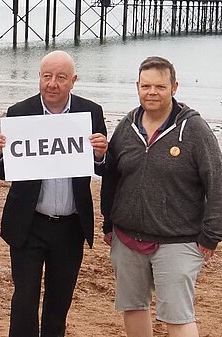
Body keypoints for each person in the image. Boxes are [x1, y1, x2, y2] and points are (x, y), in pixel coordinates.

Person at [100, 56, 222, 337]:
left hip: (177, 239)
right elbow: (112, 175)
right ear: (137, 87)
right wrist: (109, 222)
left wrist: (211, 235)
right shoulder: (127, 126)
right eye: (145, 86)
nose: (151, 92)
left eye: (159, 86)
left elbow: (216, 182)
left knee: (177, 315)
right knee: (133, 307)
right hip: (128, 238)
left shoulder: (194, 130)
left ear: (174, 87)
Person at [0, 50, 108, 337]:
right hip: (29, 224)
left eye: (60, 77)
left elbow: (102, 168)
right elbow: (7, 173)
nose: (52, 84)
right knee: (24, 301)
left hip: (70, 226)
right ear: (39, 78)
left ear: (74, 80)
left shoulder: (91, 112)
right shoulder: (19, 113)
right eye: (46, 76)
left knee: (59, 303)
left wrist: (102, 154)